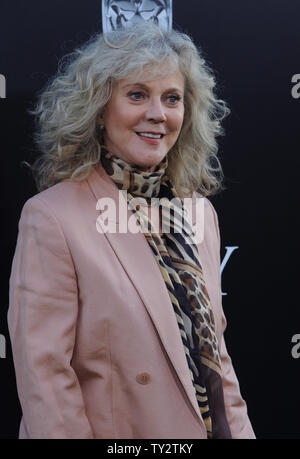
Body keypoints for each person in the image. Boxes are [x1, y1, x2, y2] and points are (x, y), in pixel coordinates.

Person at [8, 21, 255, 439]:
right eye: (137, 94)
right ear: (100, 108)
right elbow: (45, 377)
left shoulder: (199, 213)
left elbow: (216, 361)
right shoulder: (52, 217)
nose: (157, 114)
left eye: (171, 98)